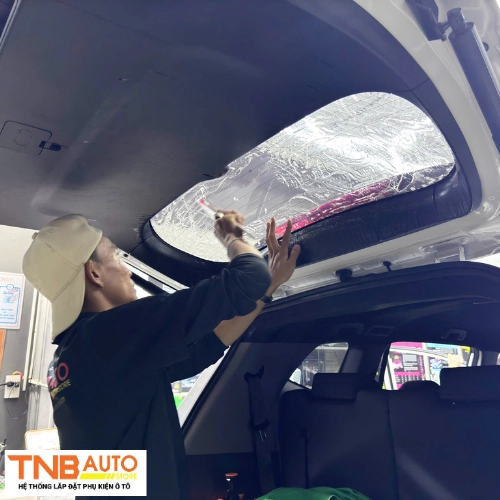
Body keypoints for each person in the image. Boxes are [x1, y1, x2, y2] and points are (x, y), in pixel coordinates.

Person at [22, 210, 300, 499]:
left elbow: (211, 343)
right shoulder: (107, 334)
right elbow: (248, 277)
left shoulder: (72, 358)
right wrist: (231, 236)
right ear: (94, 273)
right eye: (116, 257)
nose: (128, 271)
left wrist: (269, 287)